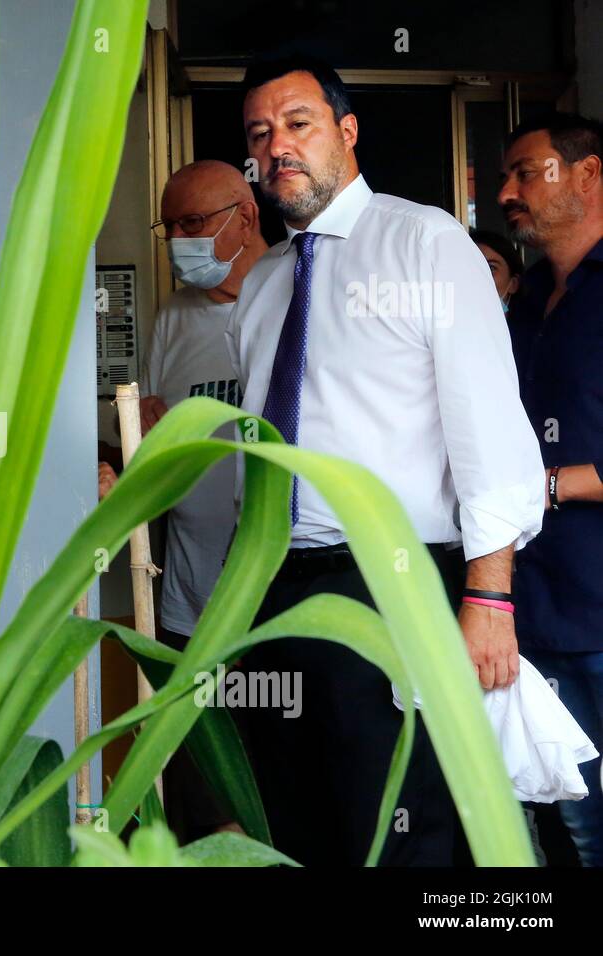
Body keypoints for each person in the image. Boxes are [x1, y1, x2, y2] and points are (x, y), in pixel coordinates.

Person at [225, 54, 544, 866]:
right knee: (298, 823)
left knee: (403, 825)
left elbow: (487, 432)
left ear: (347, 131)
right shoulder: (263, 283)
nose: (278, 147)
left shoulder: (424, 242)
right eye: (261, 134)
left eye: (298, 124)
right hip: (275, 589)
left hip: (392, 584)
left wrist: (490, 599)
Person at [96, 160, 268, 842]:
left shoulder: (293, 295)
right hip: (190, 597)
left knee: (275, 774)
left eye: (194, 223)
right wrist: (136, 433)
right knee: (202, 773)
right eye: (170, 228)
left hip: (270, 591)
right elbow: (139, 425)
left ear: (245, 216)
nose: (179, 242)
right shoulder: (174, 317)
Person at [501, 112, 603, 867]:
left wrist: (546, 485)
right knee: (557, 829)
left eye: (525, 172)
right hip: (528, 607)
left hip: (599, 610)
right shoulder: (526, 298)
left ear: (589, 175)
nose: (507, 193)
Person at [469, 228, 523, 313]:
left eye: (491, 268)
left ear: (513, 284)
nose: (478, 276)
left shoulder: (530, 325)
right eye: (471, 267)